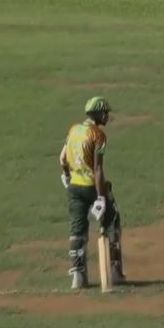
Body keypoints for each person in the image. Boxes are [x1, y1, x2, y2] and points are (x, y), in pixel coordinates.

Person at [59, 96, 125, 289]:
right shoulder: (98, 135)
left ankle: (78, 276)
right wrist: (101, 197)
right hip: (91, 187)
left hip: (74, 188)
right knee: (112, 222)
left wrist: (66, 175)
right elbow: (97, 169)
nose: (107, 116)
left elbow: (62, 158)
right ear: (98, 114)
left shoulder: (73, 130)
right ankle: (114, 271)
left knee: (77, 231)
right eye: (105, 112)